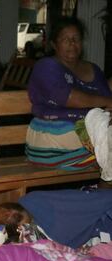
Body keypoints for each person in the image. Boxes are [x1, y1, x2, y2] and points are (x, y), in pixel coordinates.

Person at [26, 16, 112, 171]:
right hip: (52, 142)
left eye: (76, 39)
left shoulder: (93, 69)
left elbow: (106, 100)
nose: (72, 43)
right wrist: (107, 102)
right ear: (54, 44)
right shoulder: (46, 66)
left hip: (87, 139)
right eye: (65, 39)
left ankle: (98, 190)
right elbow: (69, 98)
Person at [0, 188, 112, 249]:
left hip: (101, 215)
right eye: (4, 218)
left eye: (6, 211)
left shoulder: (34, 201)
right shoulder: (28, 239)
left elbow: (78, 202)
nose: (7, 214)